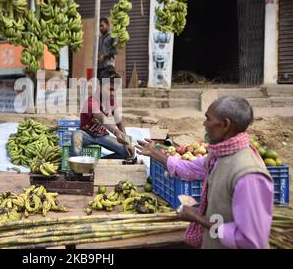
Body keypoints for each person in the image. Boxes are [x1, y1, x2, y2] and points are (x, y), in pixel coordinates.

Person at [136, 95, 274, 249]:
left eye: (208, 119)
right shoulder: (218, 156)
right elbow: (189, 169)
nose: (204, 123)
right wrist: (154, 152)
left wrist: (199, 219)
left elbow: (251, 241)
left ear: (225, 125)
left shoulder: (248, 175)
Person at [71, 67, 134, 160]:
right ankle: (77, 166)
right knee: (76, 136)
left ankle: (97, 163)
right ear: (100, 86)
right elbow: (101, 118)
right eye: (110, 89)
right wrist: (115, 132)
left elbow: (118, 120)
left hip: (102, 136)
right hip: (86, 135)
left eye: (114, 90)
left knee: (128, 153)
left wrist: (127, 142)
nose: (113, 93)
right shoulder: (91, 102)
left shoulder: (111, 100)